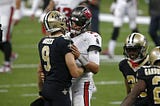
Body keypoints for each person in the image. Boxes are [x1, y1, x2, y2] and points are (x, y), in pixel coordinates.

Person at [37, 11, 85, 106]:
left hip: (46, 89)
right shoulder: (64, 42)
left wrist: (41, 91)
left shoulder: (42, 42)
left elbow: (39, 71)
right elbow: (74, 73)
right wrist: (84, 69)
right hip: (60, 91)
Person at [69, 5, 102, 106]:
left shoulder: (91, 37)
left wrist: (79, 56)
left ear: (85, 23)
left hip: (82, 81)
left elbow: (95, 68)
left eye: (78, 23)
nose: (74, 26)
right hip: (65, 81)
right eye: (73, 22)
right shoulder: (64, 36)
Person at [119, 33, 149, 105]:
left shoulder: (151, 63)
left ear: (143, 49)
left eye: (134, 50)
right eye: (129, 50)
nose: (131, 53)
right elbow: (129, 90)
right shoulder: (124, 65)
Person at [0, 0, 21, 72]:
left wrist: (17, 13)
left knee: (4, 37)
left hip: (7, 9)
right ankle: (10, 55)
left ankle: (7, 65)